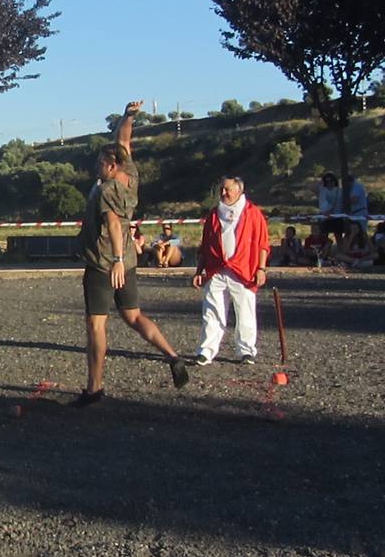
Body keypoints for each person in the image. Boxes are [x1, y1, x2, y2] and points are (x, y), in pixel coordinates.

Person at [73, 100, 189, 406]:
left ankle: (94, 388)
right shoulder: (131, 176)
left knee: (96, 326)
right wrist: (129, 116)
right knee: (134, 316)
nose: (96, 166)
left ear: (111, 167)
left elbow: (111, 223)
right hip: (128, 260)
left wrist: (116, 261)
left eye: (100, 162)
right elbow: (123, 140)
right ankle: (173, 356)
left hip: (105, 264)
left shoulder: (106, 189)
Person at [192, 177, 269, 365]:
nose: (224, 193)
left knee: (245, 311)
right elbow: (206, 246)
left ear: (239, 191)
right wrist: (199, 271)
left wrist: (261, 268)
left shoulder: (253, 214)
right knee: (211, 311)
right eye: (222, 190)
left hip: (243, 270)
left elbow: (262, 244)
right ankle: (206, 351)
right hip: (216, 269)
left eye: (228, 190)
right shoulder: (213, 214)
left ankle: (246, 351)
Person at [316, 173, 345, 241]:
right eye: (327, 181)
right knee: (323, 237)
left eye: (331, 180)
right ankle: (325, 250)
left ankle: (340, 250)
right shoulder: (323, 189)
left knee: (338, 237)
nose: (329, 183)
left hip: (337, 216)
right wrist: (321, 181)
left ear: (334, 180)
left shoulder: (339, 190)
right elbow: (311, 187)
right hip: (324, 217)